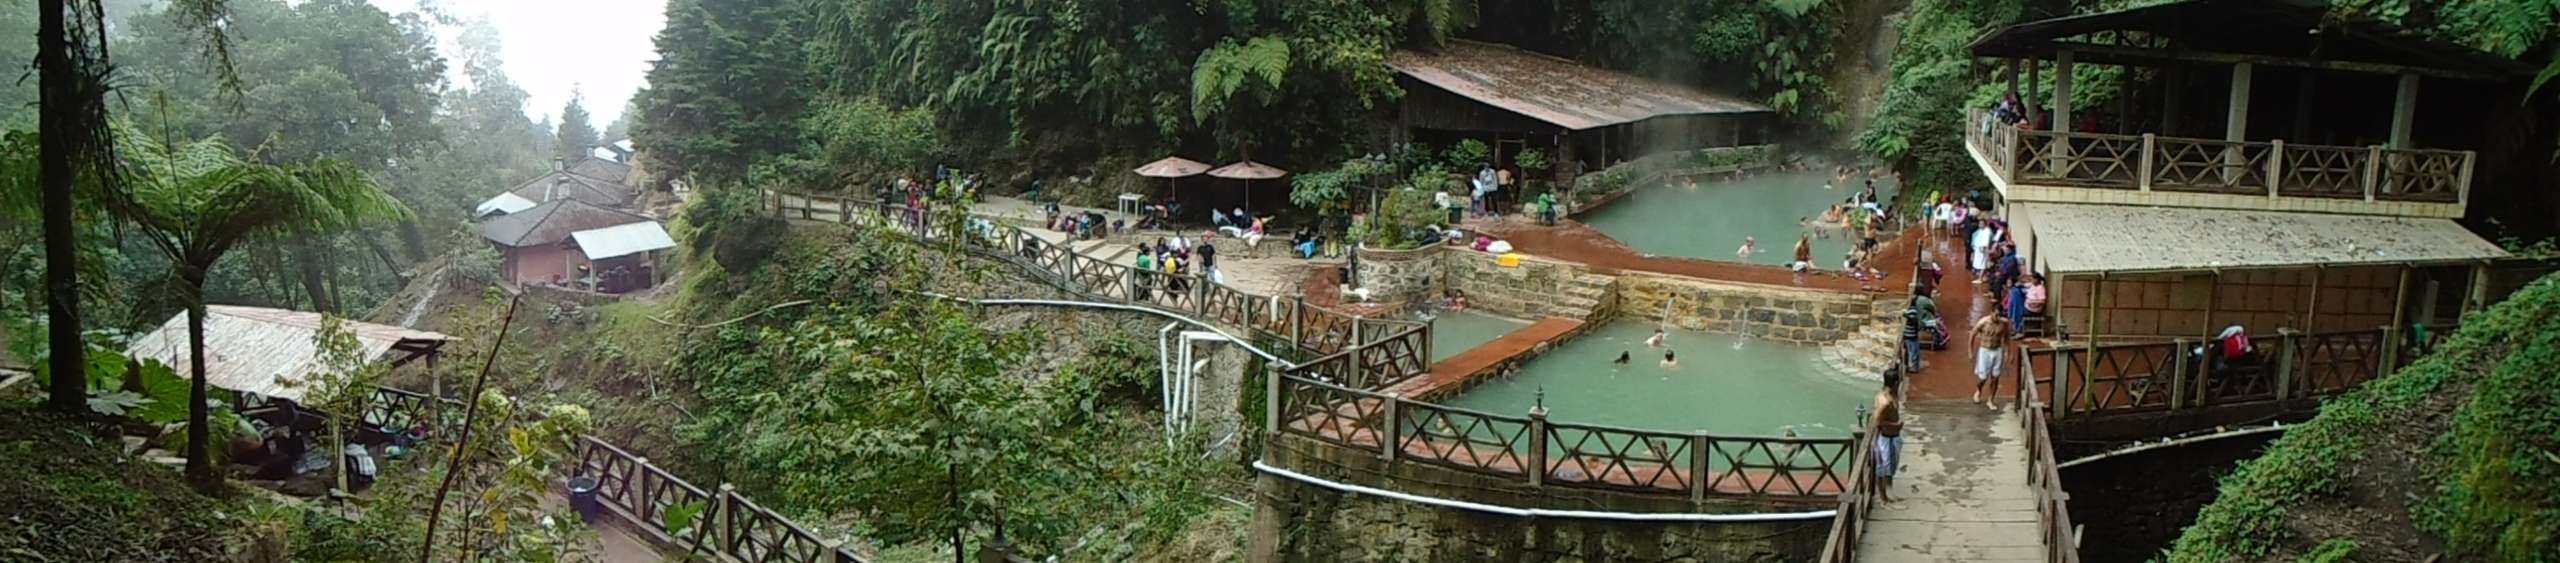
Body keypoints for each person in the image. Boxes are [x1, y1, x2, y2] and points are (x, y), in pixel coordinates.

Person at [1872, 367, 1906, 505]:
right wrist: (1896, 425)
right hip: (1887, 438)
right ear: (1895, 383)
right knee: (1885, 468)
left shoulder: (1881, 395)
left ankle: (1887, 493)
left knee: (1885, 467)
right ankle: (1884, 498)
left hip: (1888, 438)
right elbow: (1877, 420)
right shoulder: (1885, 402)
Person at [1970, 312, 2011, 408]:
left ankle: (1990, 399)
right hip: (1985, 350)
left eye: (1999, 316)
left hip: (1997, 350)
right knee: (1983, 377)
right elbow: (1972, 334)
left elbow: (2006, 338)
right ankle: (1978, 390)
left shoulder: (2004, 323)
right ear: (1992, 313)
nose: (1997, 318)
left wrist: (2008, 352)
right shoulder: (1984, 322)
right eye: (1996, 315)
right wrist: (1970, 351)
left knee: (1995, 377)